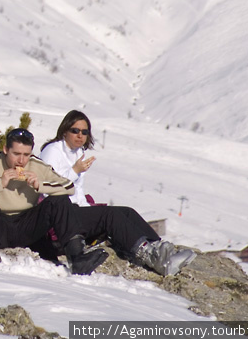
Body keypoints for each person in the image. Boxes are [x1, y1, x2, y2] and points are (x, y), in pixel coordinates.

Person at [40, 110, 196, 276]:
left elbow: (78, 191)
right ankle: (151, 256)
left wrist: (90, 210)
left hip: (76, 210)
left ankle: (162, 250)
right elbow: (50, 186)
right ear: (65, 130)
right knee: (110, 215)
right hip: (61, 216)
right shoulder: (52, 151)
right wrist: (75, 170)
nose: (80, 135)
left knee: (126, 212)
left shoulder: (77, 153)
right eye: (75, 130)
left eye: (84, 132)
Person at [0, 127, 108, 275]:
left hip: (26, 225)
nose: (21, 161)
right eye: (16, 154)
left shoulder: (36, 165)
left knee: (59, 199)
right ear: (5, 150)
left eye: (26, 154)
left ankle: (77, 258)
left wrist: (39, 185)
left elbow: (69, 187)